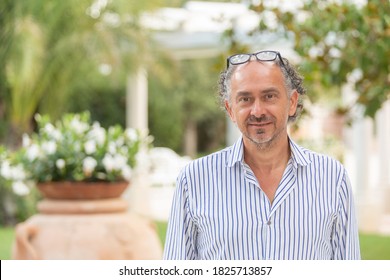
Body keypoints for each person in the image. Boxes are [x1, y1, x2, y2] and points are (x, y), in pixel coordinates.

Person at [163, 50, 361, 260]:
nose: (257, 111)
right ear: (230, 109)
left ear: (292, 102)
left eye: (269, 96)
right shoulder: (193, 180)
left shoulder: (332, 178)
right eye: (245, 99)